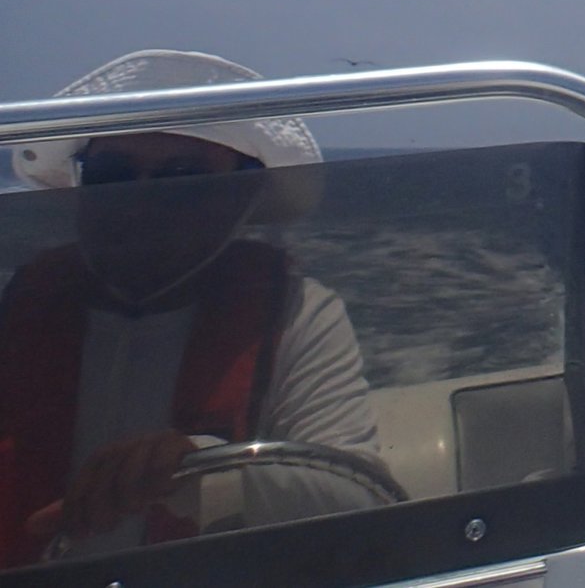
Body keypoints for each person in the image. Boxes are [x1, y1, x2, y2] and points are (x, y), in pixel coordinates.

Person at [0, 50, 387, 565]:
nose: (140, 201)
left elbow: (365, 506)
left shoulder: (298, 315)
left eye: (183, 178)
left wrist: (204, 468)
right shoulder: (17, 303)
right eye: (112, 174)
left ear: (240, 197)